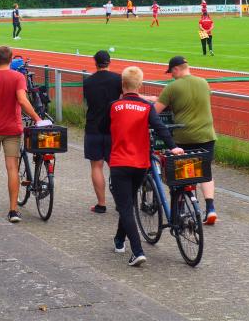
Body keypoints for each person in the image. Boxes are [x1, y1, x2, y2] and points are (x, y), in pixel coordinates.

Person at [100, 66, 184, 266]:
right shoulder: (146, 108)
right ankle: (120, 239)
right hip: (140, 164)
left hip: (120, 162)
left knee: (126, 206)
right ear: (140, 85)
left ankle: (137, 250)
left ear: (122, 85)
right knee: (127, 202)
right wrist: (173, 148)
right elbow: (160, 128)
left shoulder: (113, 106)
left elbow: (102, 127)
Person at [0, 46, 48, 223]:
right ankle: (13, 210)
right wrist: (37, 118)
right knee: (12, 168)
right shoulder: (18, 77)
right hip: (12, 128)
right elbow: (22, 100)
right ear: (11, 60)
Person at [155, 56, 218, 225]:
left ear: (176, 69)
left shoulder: (172, 87)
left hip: (184, 137)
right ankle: (211, 208)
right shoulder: (204, 83)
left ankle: (181, 207)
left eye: (171, 72)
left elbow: (155, 111)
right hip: (207, 134)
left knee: (182, 173)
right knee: (205, 170)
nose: (171, 76)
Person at [83, 50, 122, 214]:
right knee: (116, 166)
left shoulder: (88, 82)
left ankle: (101, 203)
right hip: (114, 127)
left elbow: (88, 101)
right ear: (109, 62)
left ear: (95, 62)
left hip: (93, 127)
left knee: (96, 166)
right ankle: (121, 202)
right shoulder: (118, 79)